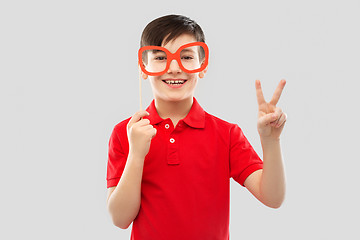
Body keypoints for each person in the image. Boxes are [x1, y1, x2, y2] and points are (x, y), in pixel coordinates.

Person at [106, 14, 287, 240]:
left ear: (203, 66)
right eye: (161, 57)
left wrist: (271, 141)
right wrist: (136, 154)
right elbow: (120, 218)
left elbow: (273, 197)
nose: (173, 68)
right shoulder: (125, 133)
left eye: (186, 56)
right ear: (144, 67)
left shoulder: (227, 134)